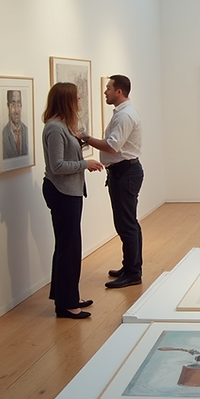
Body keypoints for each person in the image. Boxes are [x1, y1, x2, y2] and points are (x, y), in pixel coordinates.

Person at [41, 82, 103, 319]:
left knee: (69, 247)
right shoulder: (55, 128)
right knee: (68, 248)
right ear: (66, 100)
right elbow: (56, 166)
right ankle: (66, 304)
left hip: (69, 192)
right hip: (62, 192)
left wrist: (79, 142)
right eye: (77, 98)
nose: (79, 101)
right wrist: (84, 164)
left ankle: (68, 296)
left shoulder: (63, 127)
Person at [81, 74, 145, 289]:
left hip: (125, 172)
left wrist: (85, 138)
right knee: (128, 223)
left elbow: (112, 147)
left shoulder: (125, 116)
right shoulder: (123, 113)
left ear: (119, 91)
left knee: (126, 224)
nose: (105, 91)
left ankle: (133, 272)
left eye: (108, 88)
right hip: (124, 171)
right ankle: (130, 266)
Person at [1, 90, 29, 159]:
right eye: (12, 105)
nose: (16, 110)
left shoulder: (27, 131)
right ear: (8, 106)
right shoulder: (3, 135)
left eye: (19, 104)